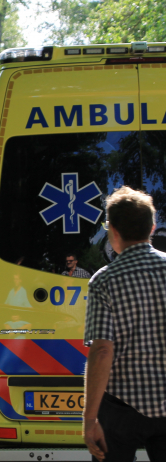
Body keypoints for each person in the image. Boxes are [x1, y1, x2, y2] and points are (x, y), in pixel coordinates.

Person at [83, 186, 166, 461]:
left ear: (113, 231)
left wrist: (90, 418)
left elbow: (103, 351)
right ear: (152, 228)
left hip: (120, 411)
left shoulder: (104, 280)